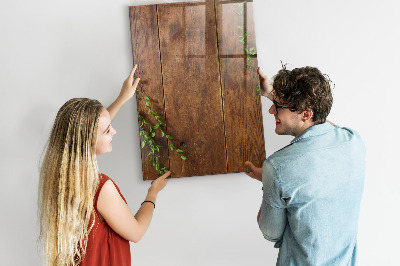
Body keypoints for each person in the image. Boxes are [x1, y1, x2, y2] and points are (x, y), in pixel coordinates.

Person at [38, 65, 170, 266]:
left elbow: (90, 130)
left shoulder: (60, 176)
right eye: (108, 131)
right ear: (88, 140)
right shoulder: (100, 188)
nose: (114, 132)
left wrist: (122, 97)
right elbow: (136, 232)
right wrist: (153, 193)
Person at [245, 66, 365, 265]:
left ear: (306, 114)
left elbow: (270, 233)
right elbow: (323, 125)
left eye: (278, 106)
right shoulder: (353, 141)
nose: (271, 110)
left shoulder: (277, 167)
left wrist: (269, 180)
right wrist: (271, 94)